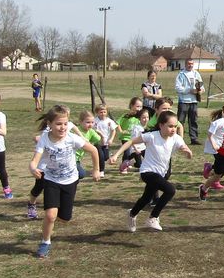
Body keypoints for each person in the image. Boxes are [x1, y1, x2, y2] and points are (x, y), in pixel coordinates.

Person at [30, 105, 101, 258]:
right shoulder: (44, 138)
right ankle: (45, 242)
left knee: (64, 218)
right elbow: (35, 159)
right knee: (50, 215)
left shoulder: (72, 138)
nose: (62, 127)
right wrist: (33, 167)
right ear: (49, 124)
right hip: (51, 180)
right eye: (58, 124)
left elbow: (94, 150)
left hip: (70, 180)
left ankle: (56, 220)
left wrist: (96, 169)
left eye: (65, 124)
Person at [126, 110, 193, 232]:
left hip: (159, 173)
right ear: (161, 125)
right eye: (170, 126)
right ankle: (153, 217)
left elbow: (185, 149)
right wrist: (116, 156)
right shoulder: (152, 136)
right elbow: (131, 141)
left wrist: (188, 152)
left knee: (146, 198)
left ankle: (132, 214)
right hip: (147, 172)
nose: (173, 129)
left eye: (175, 126)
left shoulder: (176, 138)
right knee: (170, 190)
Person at [202, 101, 224, 183]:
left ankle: (210, 169)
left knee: (223, 164)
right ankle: (215, 181)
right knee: (223, 164)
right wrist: (214, 145)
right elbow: (210, 133)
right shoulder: (220, 122)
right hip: (216, 147)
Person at [109, 107, 150, 173]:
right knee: (138, 163)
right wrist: (136, 149)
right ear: (139, 119)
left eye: (147, 117)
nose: (146, 119)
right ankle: (126, 164)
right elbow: (132, 140)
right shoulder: (137, 128)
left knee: (148, 159)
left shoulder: (146, 127)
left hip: (142, 147)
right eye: (143, 118)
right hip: (136, 149)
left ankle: (129, 163)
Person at [174, 58, 203, 144]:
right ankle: (178, 139)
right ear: (185, 64)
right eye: (189, 63)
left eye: (191, 64)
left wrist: (200, 91)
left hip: (194, 101)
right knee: (180, 121)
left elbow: (201, 85)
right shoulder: (181, 74)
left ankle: (194, 139)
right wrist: (189, 90)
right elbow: (178, 88)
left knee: (193, 121)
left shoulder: (196, 73)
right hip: (183, 101)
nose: (190, 65)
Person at [93, 103, 118, 177]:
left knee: (105, 157)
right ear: (97, 112)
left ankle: (106, 157)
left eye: (104, 112)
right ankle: (101, 171)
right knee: (101, 157)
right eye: (101, 112)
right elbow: (93, 129)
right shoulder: (95, 121)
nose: (103, 114)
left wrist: (111, 139)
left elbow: (113, 130)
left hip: (106, 142)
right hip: (97, 142)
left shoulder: (109, 121)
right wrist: (99, 135)